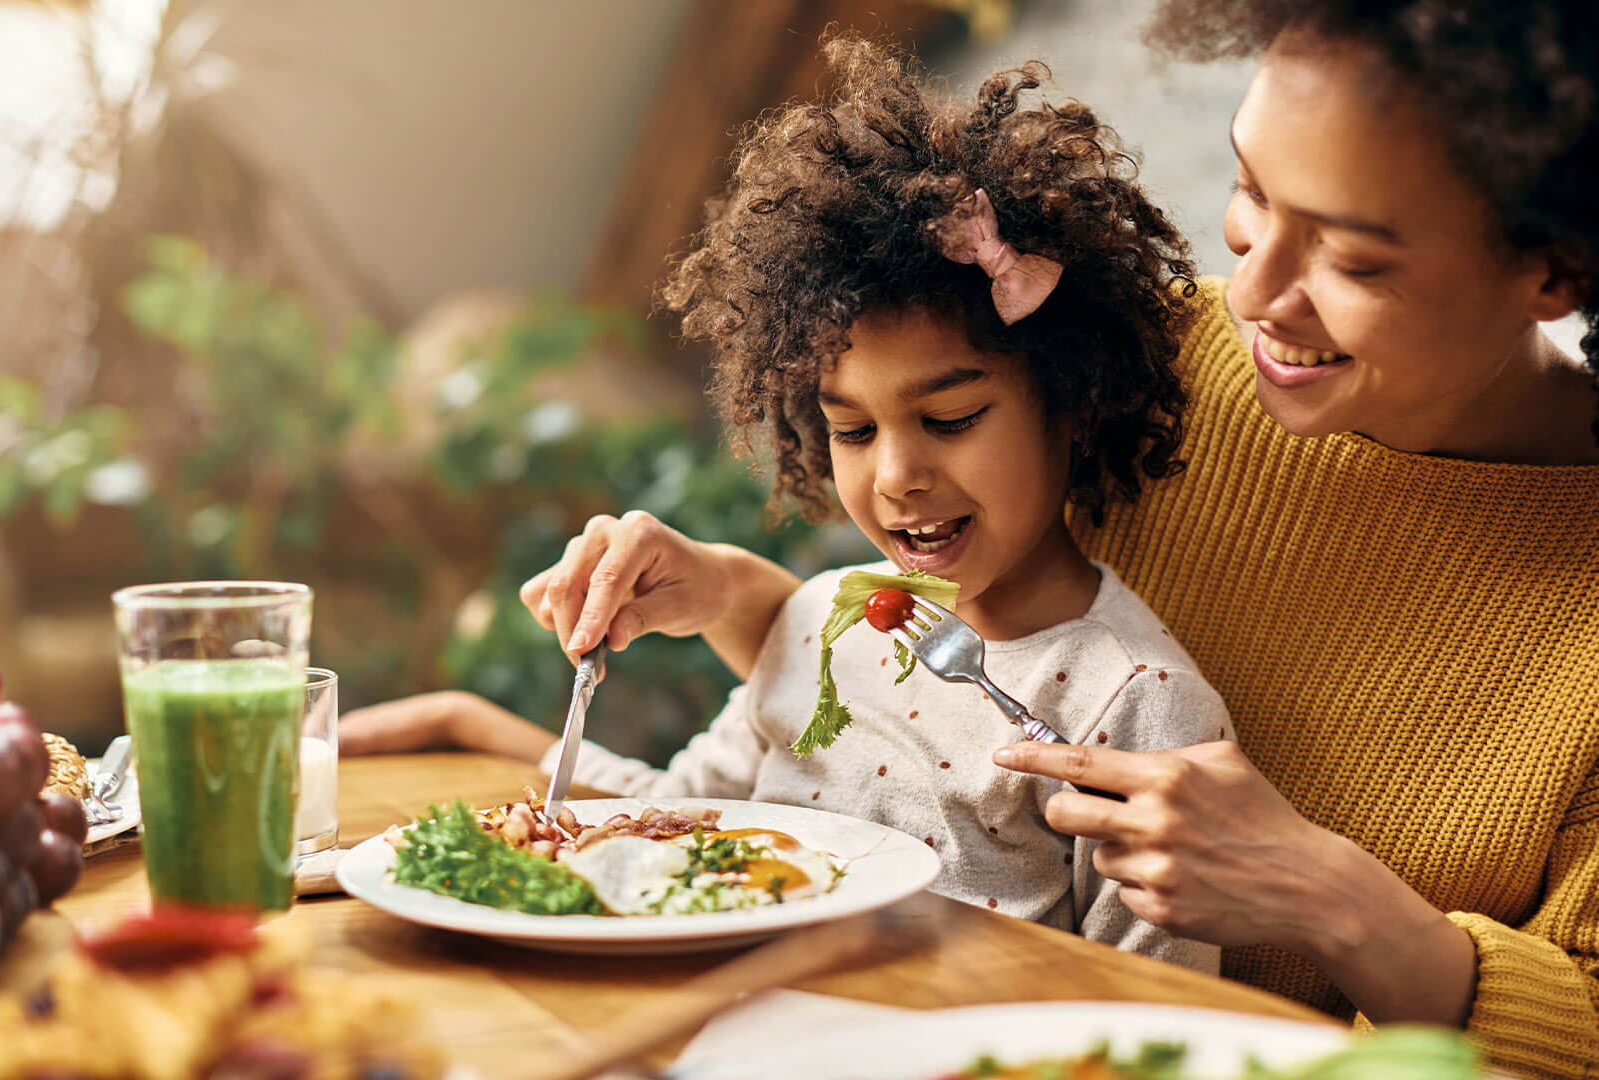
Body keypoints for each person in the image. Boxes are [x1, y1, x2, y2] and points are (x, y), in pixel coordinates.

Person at [476, 4, 1599, 1077]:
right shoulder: (1133, 359)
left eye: (1352, 261)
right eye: (1252, 193)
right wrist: (729, 595)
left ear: (1553, 269)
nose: (1251, 292)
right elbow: (925, 695)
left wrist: (1328, 897)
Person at [345, 35, 1238, 970]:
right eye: (852, 431)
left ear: (1075, 400)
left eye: (953, 417)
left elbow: (1166, 1014)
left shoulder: (1135, 705)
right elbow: (674, 825)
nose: (895, 476)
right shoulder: (826, 626)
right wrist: (476, 732)